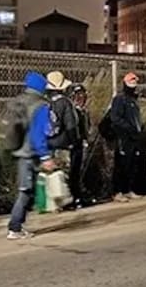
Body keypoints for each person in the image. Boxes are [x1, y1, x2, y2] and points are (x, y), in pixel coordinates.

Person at [6, 72, 54, 240]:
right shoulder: (40, 105)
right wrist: (45, 156)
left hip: (19, 150)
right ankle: (15, 226)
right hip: (31, 153)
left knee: (26, 189)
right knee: (25, 191)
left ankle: (19, 225)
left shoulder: (19, 100)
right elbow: (38, 134)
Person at [45, 71, 79, 210]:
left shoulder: (44, 102)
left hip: (47, 143)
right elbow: (70, 124)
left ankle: (51, 203)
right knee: (63, 172)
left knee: (49, 173)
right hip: (62, 142)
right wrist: (74, 141)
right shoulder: (65, 103)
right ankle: (65, 201)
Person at [109, 72, 144, 202]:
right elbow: (115, 118)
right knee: (122, 165)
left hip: (133, 137)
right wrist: (128, 128)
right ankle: (117, 191)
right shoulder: (120, 99)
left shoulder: (133, 100)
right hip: (123, 137)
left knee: (131, 164)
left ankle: (127, 190)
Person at [69, 84, 91, 206]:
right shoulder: (73, 111)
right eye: (77, 95)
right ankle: (74, 196)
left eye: (82, 95)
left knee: (78, 170)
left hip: (81, 142)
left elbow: (87, 126)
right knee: (73, 170)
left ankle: (78, 194)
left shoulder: (84, 111)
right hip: (74, 143)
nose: (80, 98)